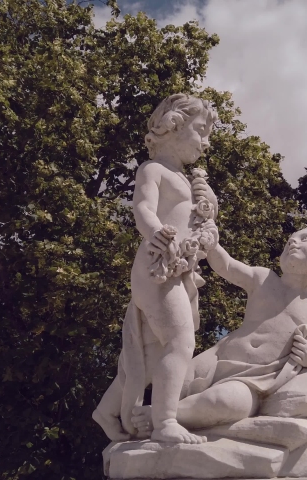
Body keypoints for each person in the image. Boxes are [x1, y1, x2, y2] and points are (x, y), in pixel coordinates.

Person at [92, 94, 219, 444]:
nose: (205, 142)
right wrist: (156, 232)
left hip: (181, 272)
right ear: (173, 126)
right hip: (157, 265)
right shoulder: (154, 169)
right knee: (179, 342)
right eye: (201, 130)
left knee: (146, 355)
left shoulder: (188, 180)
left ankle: (106, 411)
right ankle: (165, 422)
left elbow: (203, 226)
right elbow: (143, 209)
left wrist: (210, 205)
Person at [131, 227, 307, 432]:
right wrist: (212, 245)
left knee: (225, 402)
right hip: (217, 356)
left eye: (306, 239)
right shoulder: (264, 279)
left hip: (254, 380)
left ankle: (162, 415)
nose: (293, 242)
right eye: (290, 240)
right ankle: (158, 411)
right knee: (178, 376)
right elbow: (228, 266)